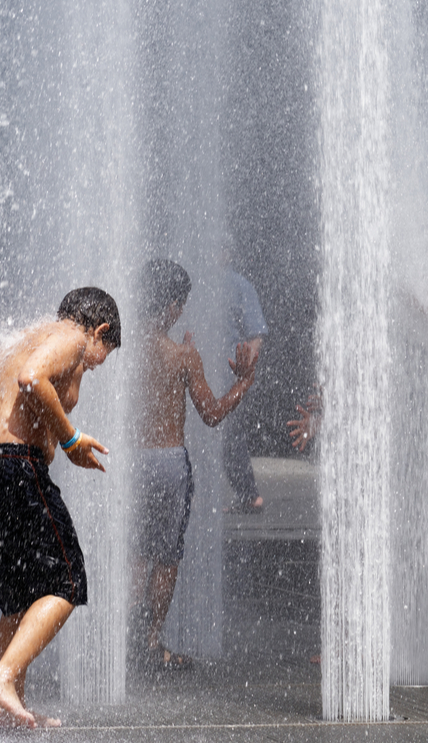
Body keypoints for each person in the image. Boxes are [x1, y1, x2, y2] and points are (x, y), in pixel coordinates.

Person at [0, 287, 122, 728]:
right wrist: (68, 439)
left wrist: (2, 436)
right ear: (99, 331)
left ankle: (7, 706)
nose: (93, 365)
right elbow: (31, 378)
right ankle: (4, 676)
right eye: (103, 354)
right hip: (12, 465)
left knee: (17, 597)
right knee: (66, 581)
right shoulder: (71, 338)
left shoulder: (21, 338)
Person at [130, 259, 258, 669]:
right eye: (180, 304)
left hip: (132, 465)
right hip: (169, 465)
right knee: (165, 555)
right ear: (170, 306)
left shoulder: (120, 350)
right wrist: (243, 383)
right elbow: (212, 413)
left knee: (134, 552)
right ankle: (150, 643)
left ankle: (125, 635)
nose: (182, 311)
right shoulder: (182, 356)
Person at [222, 266, 268, 512]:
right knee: (223, 434)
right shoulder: (201, 281)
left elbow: (256, 333)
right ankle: (247, 495)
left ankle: (249, 496)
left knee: (229, 435)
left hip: (230, 371)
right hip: (205, 368)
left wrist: (246, 373)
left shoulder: (239, 285)